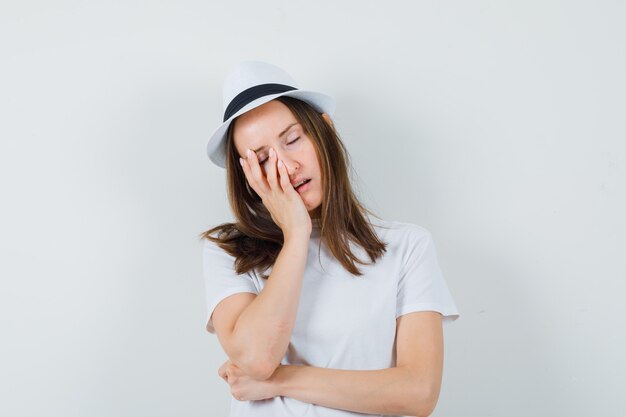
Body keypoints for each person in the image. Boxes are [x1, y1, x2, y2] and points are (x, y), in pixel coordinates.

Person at [199, 60, 460, 416]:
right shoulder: (227, 250)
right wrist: (296, 234)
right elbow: (257, 360)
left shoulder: (407, 247)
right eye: (261, 160)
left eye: (292, 140)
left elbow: (418, 393)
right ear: (247, 177)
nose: (286, 168)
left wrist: (281, 380)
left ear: (323, 131)